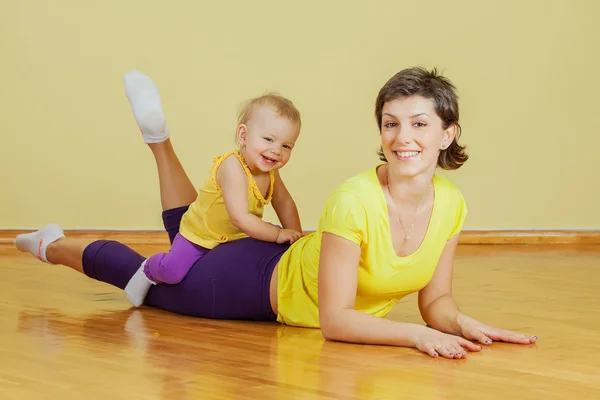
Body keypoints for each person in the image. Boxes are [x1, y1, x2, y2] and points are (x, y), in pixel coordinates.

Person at [15, 66, 537, 359]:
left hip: (269, 250)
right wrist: (419, 336)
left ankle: (158, 139)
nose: (403, 138)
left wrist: (465, 324)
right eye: (390, 123)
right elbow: (334, 322)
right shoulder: (352, 200)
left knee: (187, 231)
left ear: (447, 134)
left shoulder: (453, 204)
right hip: (253, 282)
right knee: (145, 283)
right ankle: (47, 244)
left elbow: (437, 300)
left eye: (420, 125)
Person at [117, 71, 303, 307]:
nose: (277, 150)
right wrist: (277, 234)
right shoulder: (232, 167)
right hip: (199, 236)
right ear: (243, 135)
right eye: (268, 140)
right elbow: (240, 217)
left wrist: (295, 236)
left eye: (286, 145)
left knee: (271, 245)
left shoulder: (270, 172)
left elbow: (284, 202)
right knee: (174, 272)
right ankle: (150, 269)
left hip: (234, 240)